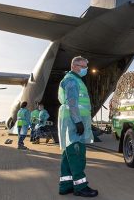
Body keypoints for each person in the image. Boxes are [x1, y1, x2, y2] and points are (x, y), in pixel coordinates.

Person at [57, 56, 98, 197]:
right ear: (75, 66)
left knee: (68, 154)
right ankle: (80, 187)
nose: (86, 69)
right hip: (73, 120)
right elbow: (72, 102)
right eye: (83, 66)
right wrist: (78, 121)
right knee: (77, 153)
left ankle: (65, 185)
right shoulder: (71, 80)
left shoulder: (75, 79)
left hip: (72, 119)